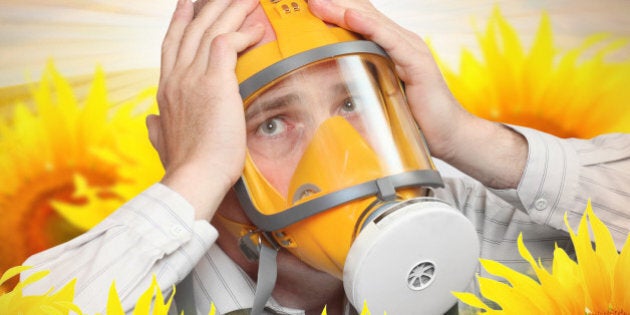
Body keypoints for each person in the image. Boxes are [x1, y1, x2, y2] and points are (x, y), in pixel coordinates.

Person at [22, 0, 630, 314]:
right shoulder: (144, 284)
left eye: (353, 102)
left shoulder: (465, 206)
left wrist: (470, 140)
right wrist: (194, 179)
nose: (344, 158)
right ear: (193, 145)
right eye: (272, 122)